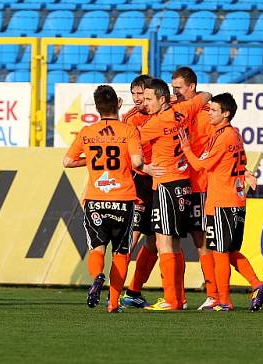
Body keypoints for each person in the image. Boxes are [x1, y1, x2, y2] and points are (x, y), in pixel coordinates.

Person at [179, 93, 263, 312]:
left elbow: (203, 165)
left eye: (213, 110)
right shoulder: (232, 134)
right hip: (232, 199)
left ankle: (224, 301)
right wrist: (246, 173)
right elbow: (237, 162)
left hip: (223, 201)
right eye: (209, 109)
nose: (209, 112)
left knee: (219, 252)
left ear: (226, 113)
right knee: (226, 251)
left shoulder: (225, 136)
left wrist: (186, 149)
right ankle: (257, 285)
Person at [63, 85, 144, 313]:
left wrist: (89, 160)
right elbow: (137, 162)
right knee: (121, 252)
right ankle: (113, 303)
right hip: (123, 199)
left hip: (95, 199)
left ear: (97, 107)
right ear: (118, 103)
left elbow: (67, 162)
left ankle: (97, 276)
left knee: (97, 249)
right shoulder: (128, 131)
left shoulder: (87, 132)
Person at [139, 78, 211, 311]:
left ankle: (171, 299)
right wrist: (178, 101)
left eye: (149, 99)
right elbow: (207, 95)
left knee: (164, 241)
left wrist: (144, 167)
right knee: (176, 242)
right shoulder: (184, 110)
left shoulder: (155, 123)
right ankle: (179, 298)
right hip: (184, 183)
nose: (145, 103)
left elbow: (128, 144)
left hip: (165, 184)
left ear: (162, 99)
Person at [170, 67, 218, 310]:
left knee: (202, 240)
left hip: (200, 184)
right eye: (173, 87)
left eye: (178, 88)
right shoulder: (177, 109)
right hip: (178, 184)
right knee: (171, 239)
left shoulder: (208, 113)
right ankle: (178, 298)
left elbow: (216, 146)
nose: (175, 92)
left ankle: (213, 293)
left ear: (192, 87)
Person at [120, 75, 158, 308]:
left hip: (162, 182)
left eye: (140, 94)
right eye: (133, 94)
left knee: (154, 241)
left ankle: (133, 291)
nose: (136, 98)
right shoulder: (130, 118)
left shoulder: (164, 112)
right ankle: (113, 294)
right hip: (140, 181)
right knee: (130, 240)